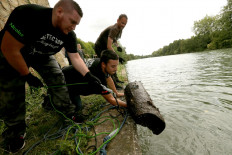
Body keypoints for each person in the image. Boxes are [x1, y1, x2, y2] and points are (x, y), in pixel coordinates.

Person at [0, 0, 103, 153]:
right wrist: (27, 75)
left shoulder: (69, 34)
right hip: (14, 50)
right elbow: (9, 48)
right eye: (72, 22)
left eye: (77, 24)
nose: (74, 27)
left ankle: (69, 113)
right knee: (13, 89)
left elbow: (75, 57)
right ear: (59, 12)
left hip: (42, 55)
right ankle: (15, 132)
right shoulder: (29, 14)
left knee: (57, 76)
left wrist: (88, 75)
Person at [62, 49, 127, 109]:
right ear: (104, 64)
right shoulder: (97, 76)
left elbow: (108, 77)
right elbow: (111, 100)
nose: (116, 69)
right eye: (113, 66)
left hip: (68, 72)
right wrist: (129, 105)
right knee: (77, 107)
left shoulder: (101, 62)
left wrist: (116, 93)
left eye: (116, 65)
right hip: (64, 81)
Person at [94, 14, 128, 89]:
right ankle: (113, 84)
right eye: (122, 23)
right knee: (108, 64)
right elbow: (109, 46)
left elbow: (114, 39)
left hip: (105, 47)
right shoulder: (114, 29)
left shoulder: (120, 29)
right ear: (118, 20)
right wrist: (117, 57)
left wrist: (117, 46)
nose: (123, 25)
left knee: (113, 63)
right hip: (100, 47)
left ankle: (116, 80)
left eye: (125, 24)